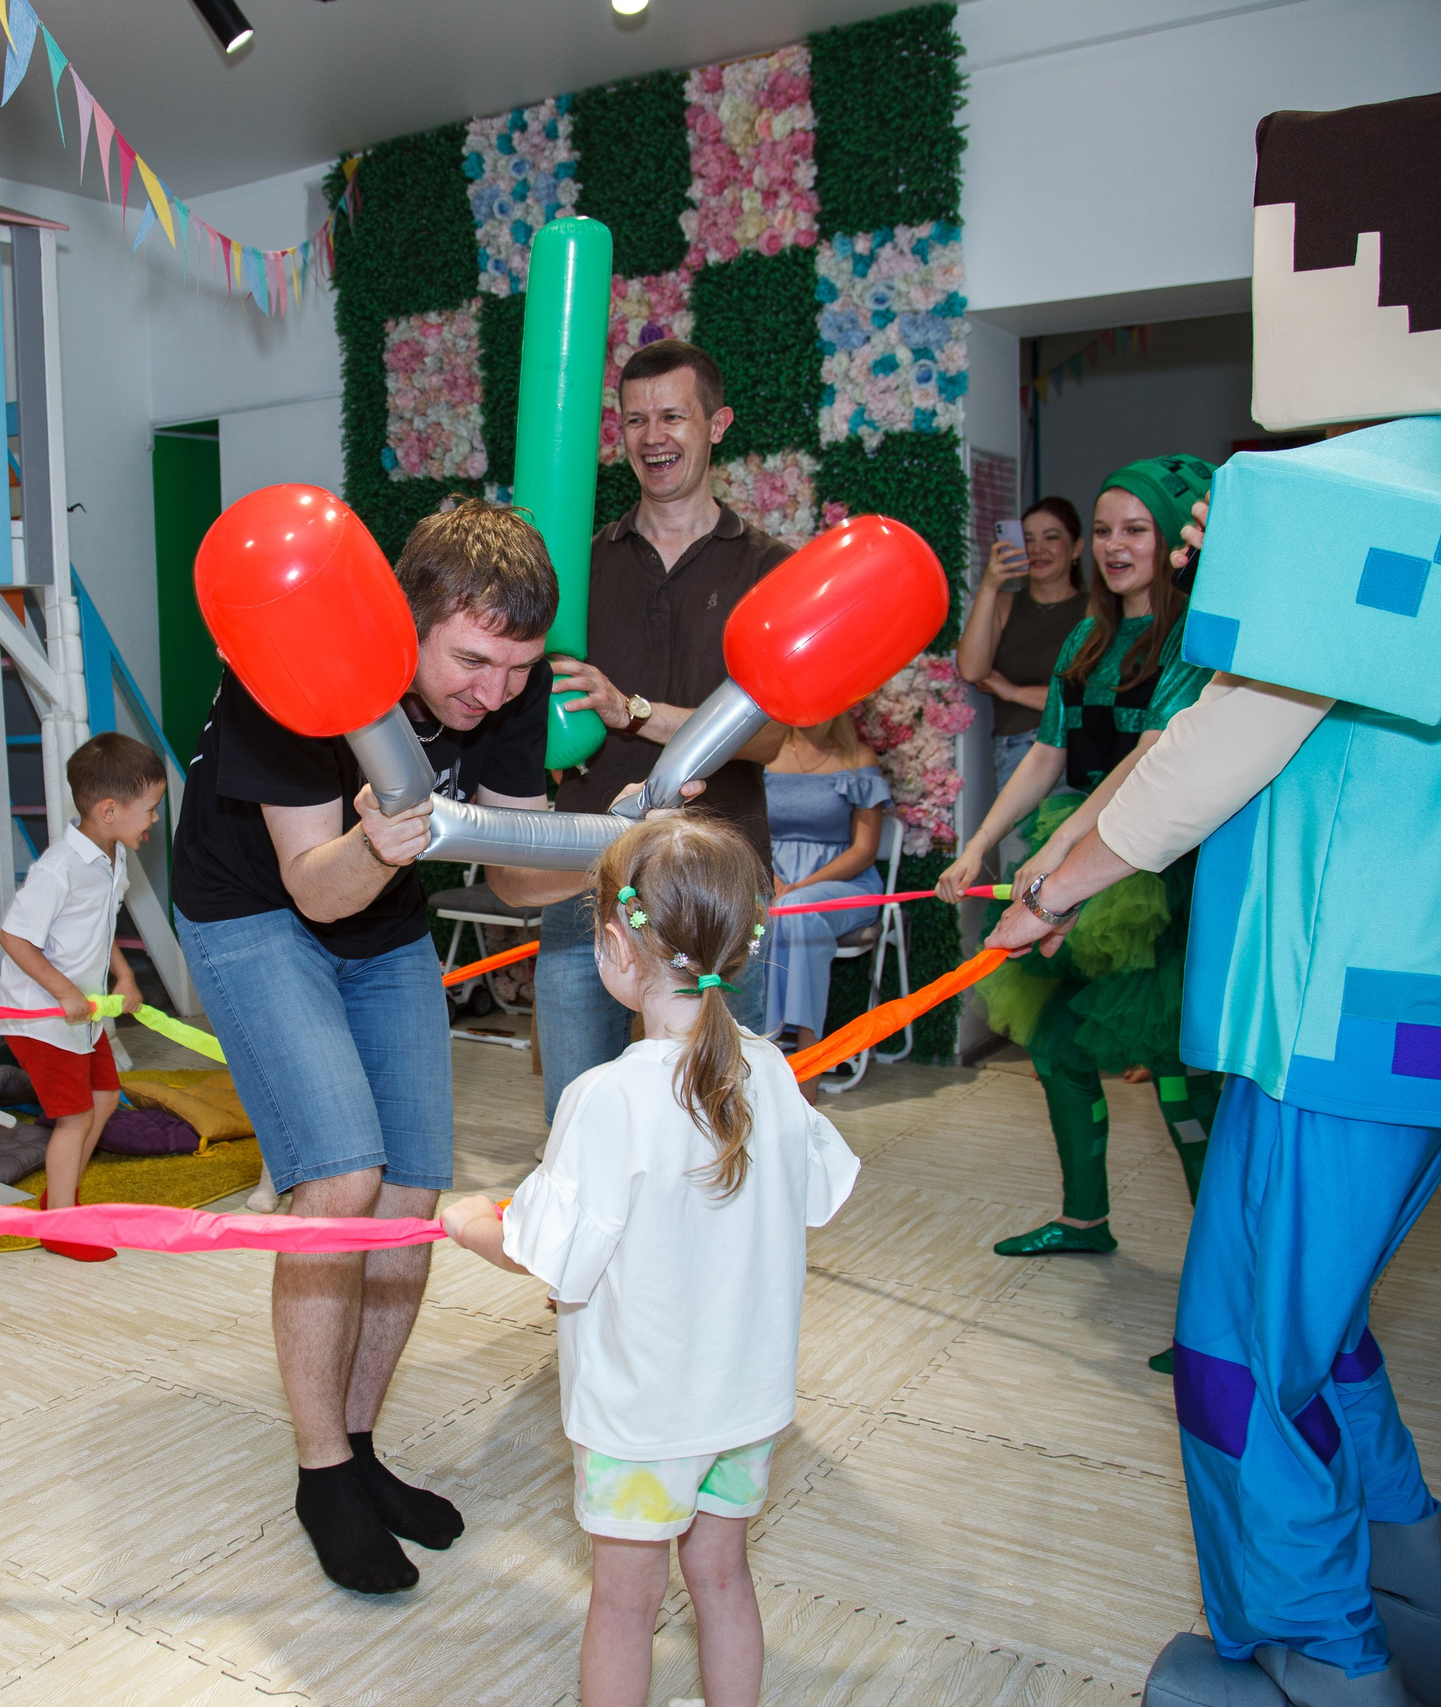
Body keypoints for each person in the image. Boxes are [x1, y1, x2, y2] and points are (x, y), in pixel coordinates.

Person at [997, 62, 1441, 1705]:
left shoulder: (1365, 489)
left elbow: (1228, 740)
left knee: (1239, 1355)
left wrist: (1054, 885)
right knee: (1320, 1329)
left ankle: (1320, 1663)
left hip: (1339, 1005)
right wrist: (1060, 857)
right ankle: (1435, 1625)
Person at [169, 497, 559, 1594]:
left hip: (381, 917)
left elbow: (522, 875)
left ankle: (361, 1447)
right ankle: (318, 1473)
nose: (494, 693)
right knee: (340, 1178)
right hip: (253, 909)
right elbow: (316, 887)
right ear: (408, 620)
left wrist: (619, 839)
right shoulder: (297, 666)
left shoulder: (508, 684)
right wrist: (380, 843)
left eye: (517, 669)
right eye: (472, 661)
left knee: (409, 1197)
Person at [440, 814, 859, 1707]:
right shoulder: (773, 1072)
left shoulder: (606, 1095)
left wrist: (475, 1222)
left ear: (612, 945)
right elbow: (817, 1194)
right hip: (744, 1404)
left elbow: (549, 1253)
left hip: (640, 1416)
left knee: (625, 1606)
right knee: (723, 1578)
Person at [938, 458, 1221, 1265]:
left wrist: (1062, 850)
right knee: (1057, 1047)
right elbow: (1046, 757)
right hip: (1081, 849)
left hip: (1154, 869)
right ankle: (1085, 1220)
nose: (1114, 545)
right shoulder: (1087, 637)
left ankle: (1220, 1286)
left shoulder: (1192, 641)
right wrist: (982, 840)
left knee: (1177, 1078)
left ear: (1172, 540)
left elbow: (1146, 760)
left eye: (1135, 529)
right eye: (1103, 530)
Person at [531, 339, 793, 1128]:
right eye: (635, 418)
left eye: (673, 415)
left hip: (719, 887)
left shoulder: (767, 567)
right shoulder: (573, 568)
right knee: (578, 1120)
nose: (653, 437)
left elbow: (769, 736)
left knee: (713, 1129)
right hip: (588, 881)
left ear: (718, 424)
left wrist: (634, 711)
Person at [0, 732, 165, 1263]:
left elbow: (99, 926)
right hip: (43, 1020)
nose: (154, 821)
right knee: (74, 1119)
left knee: (106, 1100)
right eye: (151, 810)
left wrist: (124, 976)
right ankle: (60, 1224)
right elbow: (14, 936)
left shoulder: (112, 858)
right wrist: (64, 990)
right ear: (109, 809)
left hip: (83, 1017)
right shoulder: (57, 869)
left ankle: (58, 1198)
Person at [757, 711, 891, 1089]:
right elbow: (746, 830)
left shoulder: (858, 759)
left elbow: (864, 851)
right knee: (756, 910)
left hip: (844, 884)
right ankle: (761, 1051)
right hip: (772, 879)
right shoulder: (764, 752)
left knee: (796, 912)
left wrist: (801, 887)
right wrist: (775, 880)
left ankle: (807, 1062)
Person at [958, 497, 1090, 788]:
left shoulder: (1095, 610)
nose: (1037, 549)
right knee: (1017, 836)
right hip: (1016, 750)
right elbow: (971, 669)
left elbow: (1090, 697)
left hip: (1080, 747)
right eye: (1027, 539)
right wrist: (991, 584)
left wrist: (1014, 692)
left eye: (1051, 537)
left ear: (1077, 547)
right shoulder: (1005, 603)